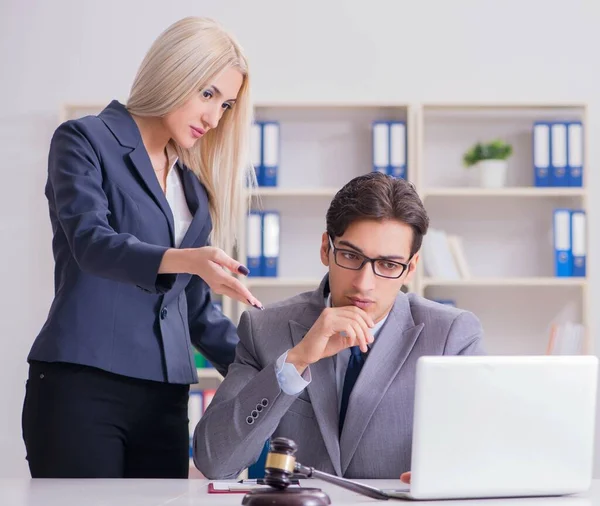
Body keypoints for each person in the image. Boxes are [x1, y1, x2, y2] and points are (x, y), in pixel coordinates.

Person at [21, 16, 263, 479]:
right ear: (174, 70)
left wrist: (269, 366)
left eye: (226, 104)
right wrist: (188, 260)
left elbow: (192, 309)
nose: (215, 118)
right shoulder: (84, 139)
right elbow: (92, 244)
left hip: (167, 398)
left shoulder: (192, 187)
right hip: (83, 385)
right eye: (208, 94)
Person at [193, 172, 485, 479]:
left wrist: (451, 475)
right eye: (350, 255)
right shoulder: (264, 328)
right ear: (325, 250)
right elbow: (216, 461)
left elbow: (485, 451)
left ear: (410, 268)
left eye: (388, 264)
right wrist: (295, 362)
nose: (364, 283)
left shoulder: (452, 336)